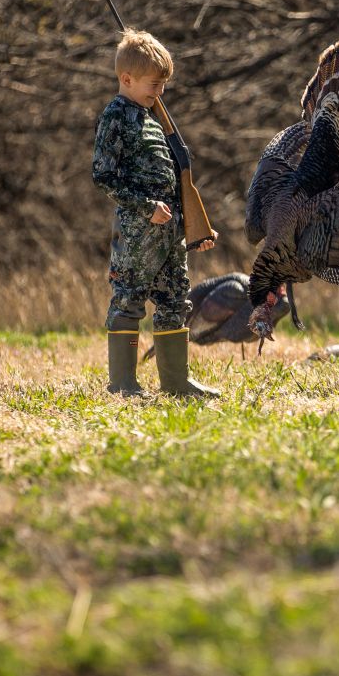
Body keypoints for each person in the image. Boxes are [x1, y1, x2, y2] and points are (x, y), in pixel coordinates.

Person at [92, 28, 220, 399]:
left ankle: (176, 384)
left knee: (175, 298)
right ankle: (123, 384)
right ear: (126, 79)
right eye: (153, 84)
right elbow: (103, 175)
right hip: (138, 229)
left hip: (170, 230)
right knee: (129, 297)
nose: (159, 92)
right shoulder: (117, 115)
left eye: (163, 84)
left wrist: (195, 229)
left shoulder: (151, 118)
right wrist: (147, 207)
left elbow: (177, 181)